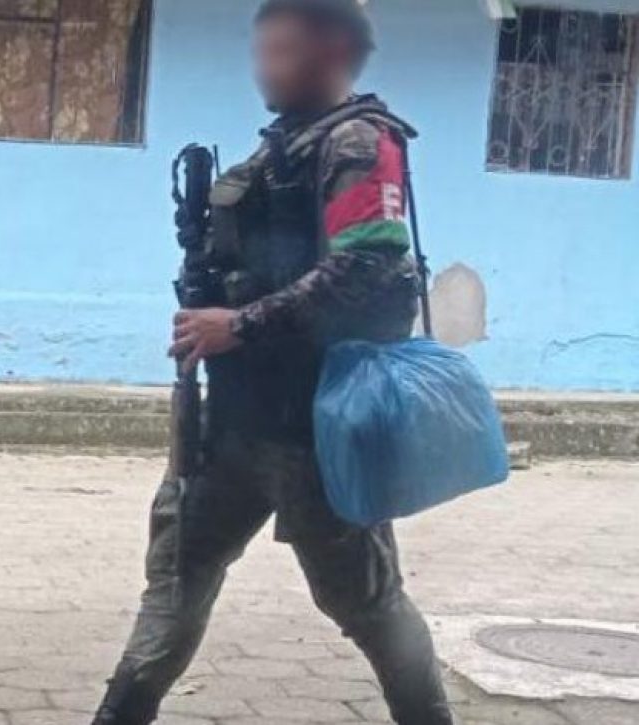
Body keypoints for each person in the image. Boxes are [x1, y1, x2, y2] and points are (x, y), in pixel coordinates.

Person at [91, 1, 455, 723]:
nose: (267, 66)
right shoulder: (282, 145)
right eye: (264, 50)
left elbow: (366, 267)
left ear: (336, 51)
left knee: (367, 603)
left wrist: (240, 324)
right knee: (177, 580)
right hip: (233, 426)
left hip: (318, 432)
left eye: (284, 51)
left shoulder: (360, 140)